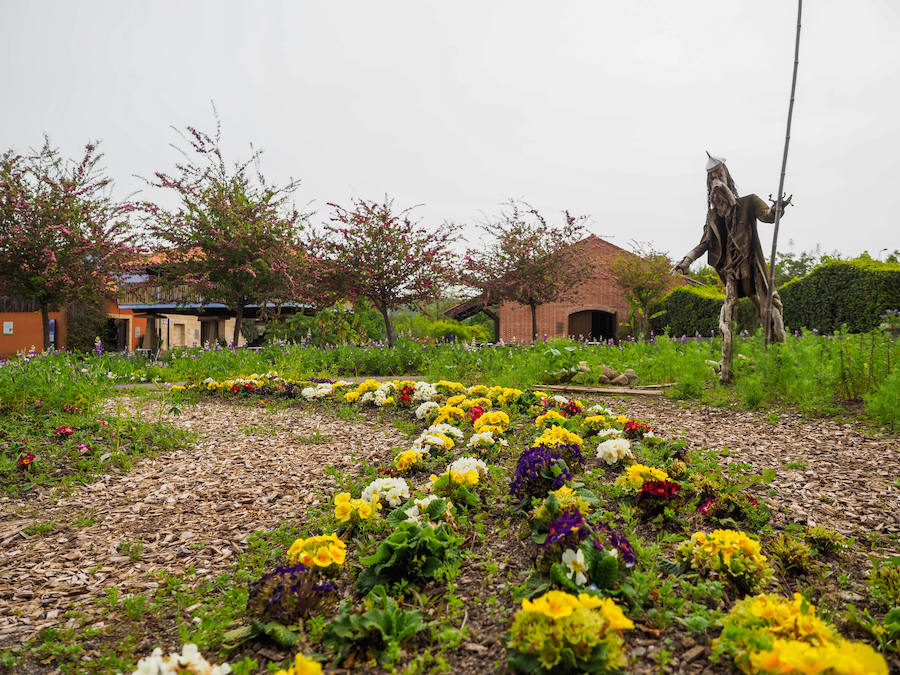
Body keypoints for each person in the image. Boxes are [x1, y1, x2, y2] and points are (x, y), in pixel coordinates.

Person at [674, 154, 788, 383]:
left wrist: (777, 209)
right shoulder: (712, 217)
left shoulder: (749, 203)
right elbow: (705, 243)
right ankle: (726, 372)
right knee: (726, 322)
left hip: (754, 272)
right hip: (731, 275)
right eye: (712, 179)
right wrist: (686, 261)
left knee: (770, 314)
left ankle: (780, 363)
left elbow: (768, 217)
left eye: (719, 176)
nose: (716, 182)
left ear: (728, 178)